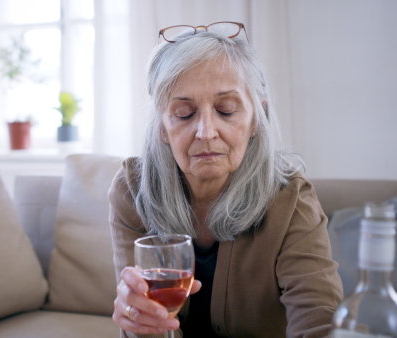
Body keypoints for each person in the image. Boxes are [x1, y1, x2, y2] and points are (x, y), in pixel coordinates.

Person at [108, 22, 343, 337]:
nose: (206, 132)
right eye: (184, 114)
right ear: (163, 127)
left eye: (227, 110)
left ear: (256, 119)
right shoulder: (132, 190)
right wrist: (140, 321)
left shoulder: (291, 199)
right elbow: (143, 318)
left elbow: (320, 318)